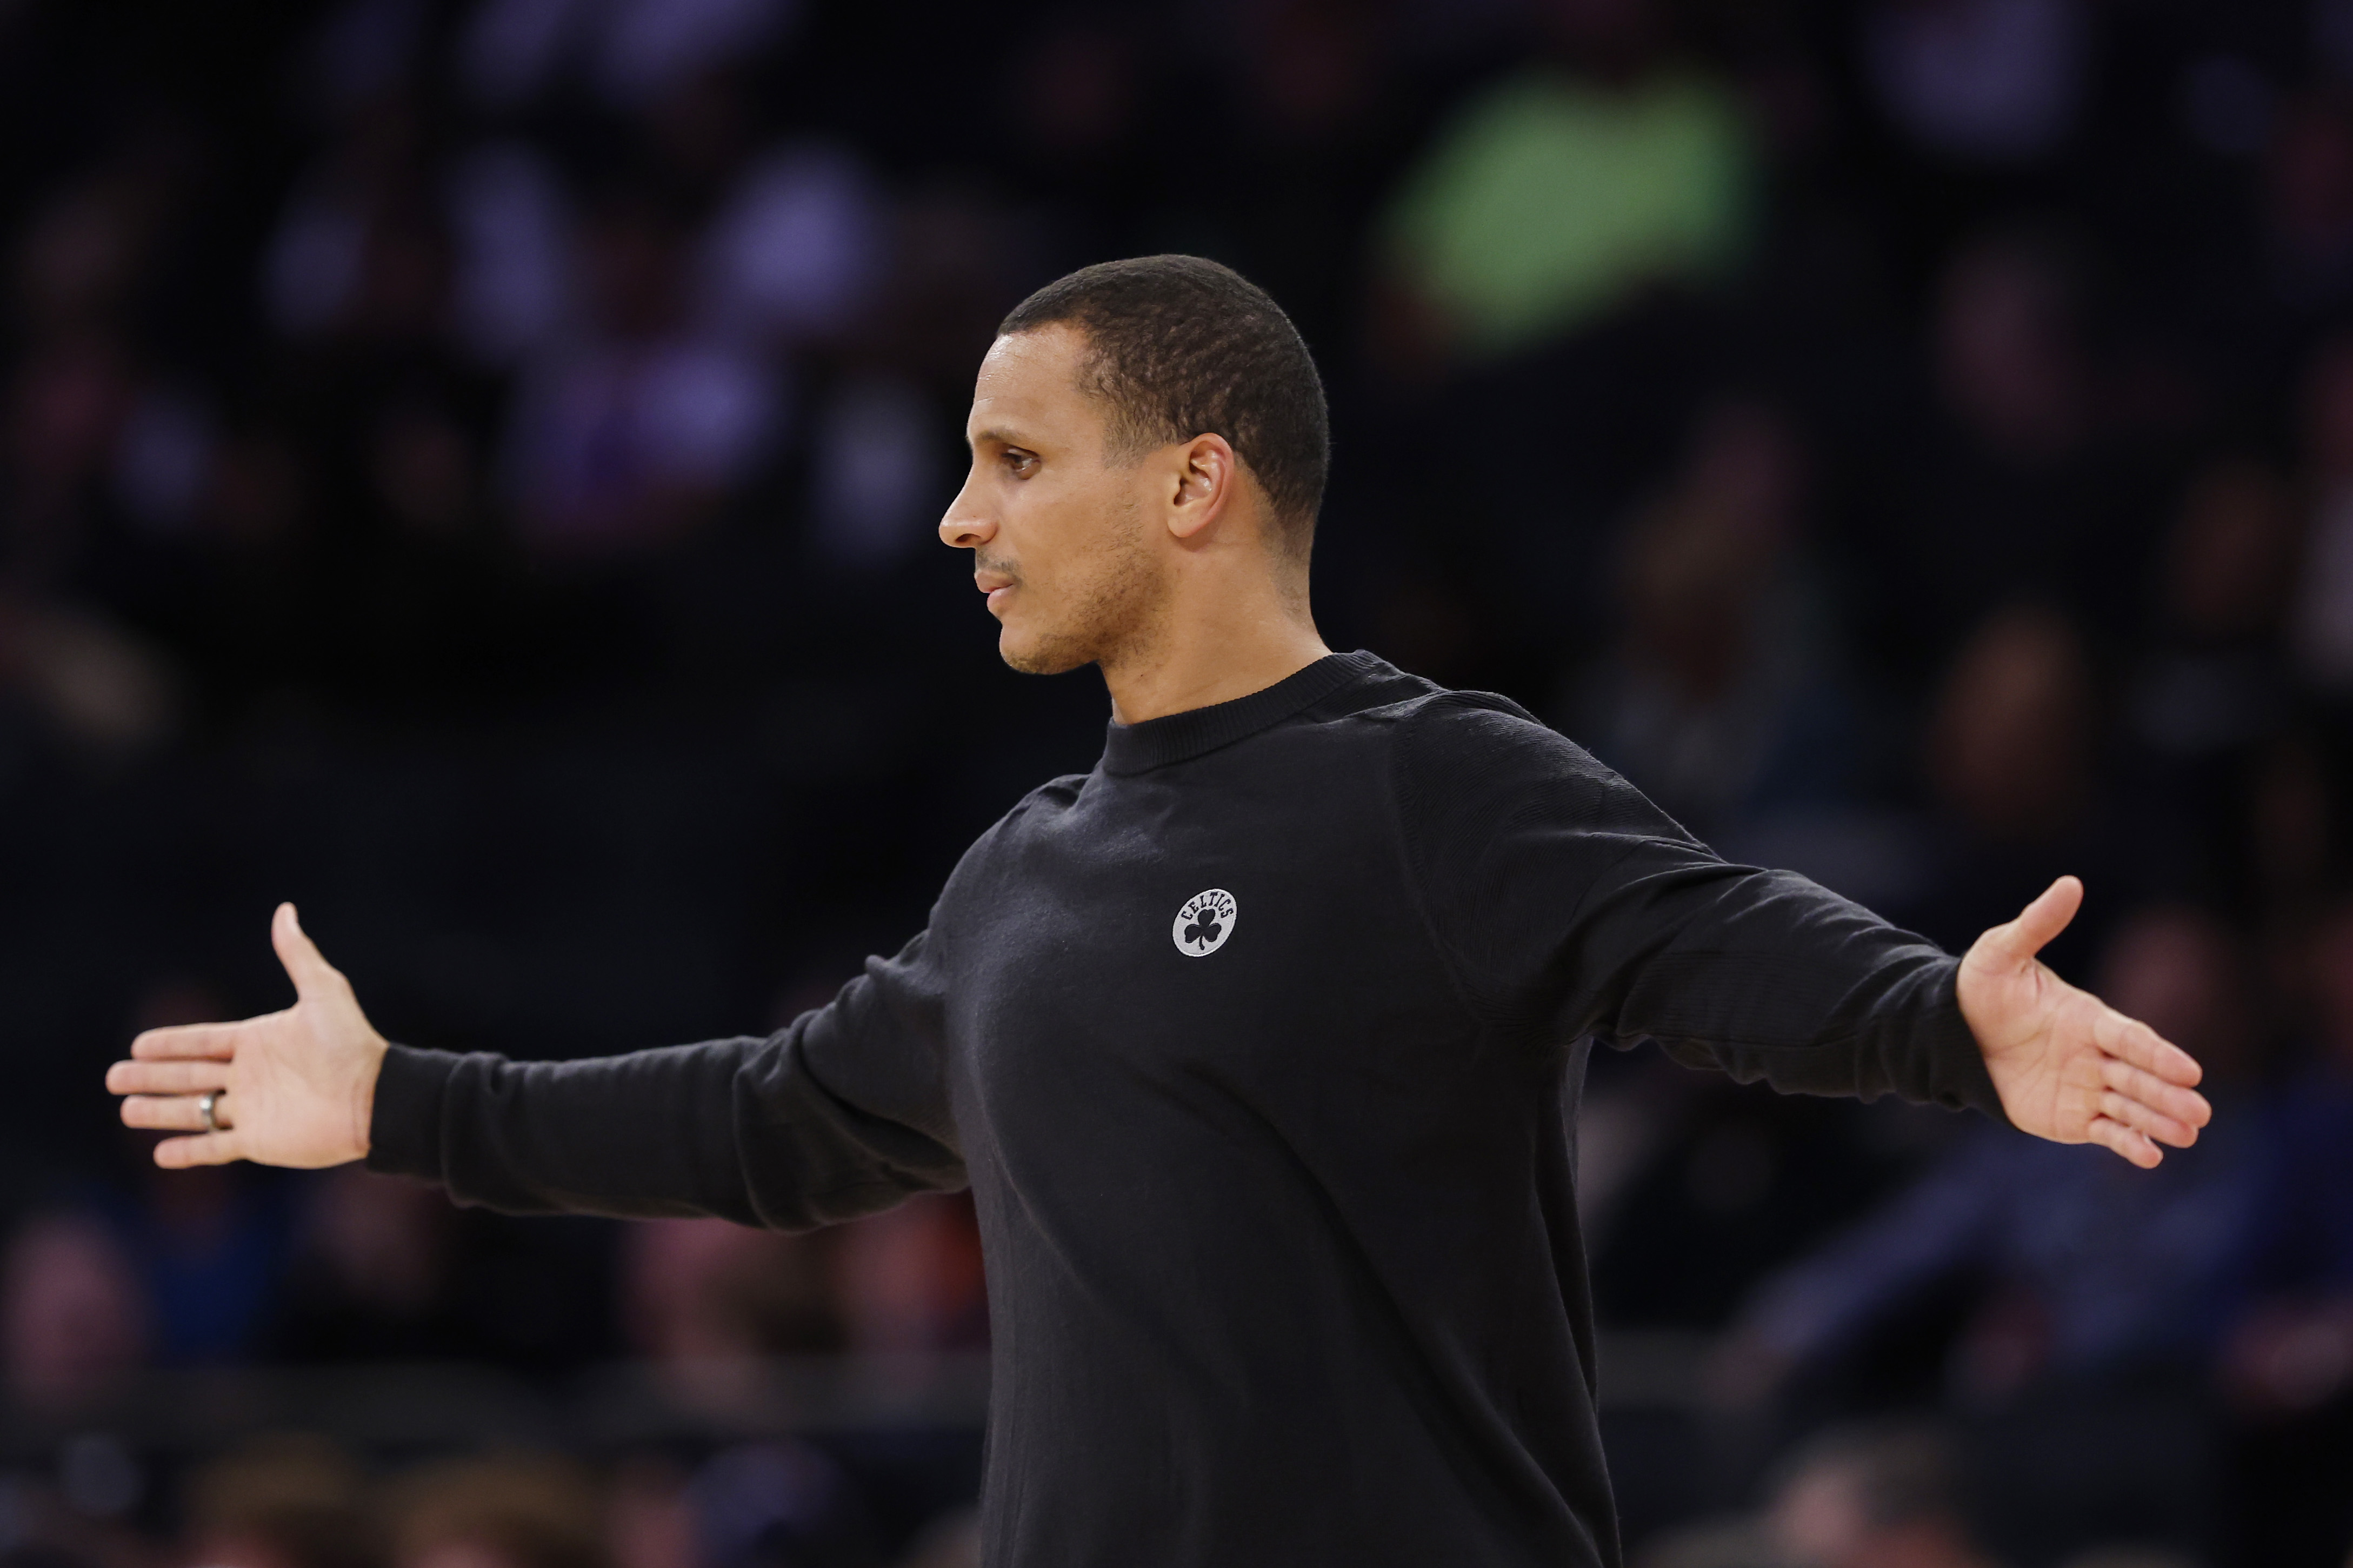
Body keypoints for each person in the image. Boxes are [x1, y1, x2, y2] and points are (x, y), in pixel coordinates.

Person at [105, 256, 2210, 1568]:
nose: (958, 515)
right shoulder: (1020, 872)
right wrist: (403, 1104)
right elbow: (770, 1123)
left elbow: (1714, 938)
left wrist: (1950, 1017)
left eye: (1018, 460)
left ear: (1194, 483)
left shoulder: (1423, 779)